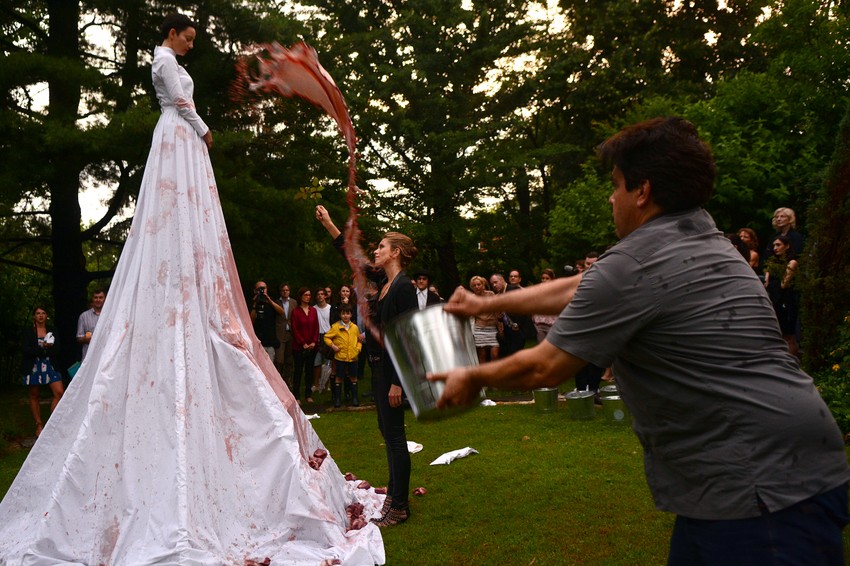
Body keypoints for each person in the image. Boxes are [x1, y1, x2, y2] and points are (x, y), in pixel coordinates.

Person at [0, 14, 385, 564]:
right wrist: (202, 126)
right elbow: (180, 103)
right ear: (174, 33)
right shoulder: (163, 63)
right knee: (171, 219)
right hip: (177, 139)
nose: (192, 44)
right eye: (189, 36)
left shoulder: (170, 64)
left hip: (179, 142)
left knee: (190, 222)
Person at [430, 117, 849, 564]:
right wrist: (482, 306)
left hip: (755, 485)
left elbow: (544, 366)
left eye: (616, 185)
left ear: (642, 191)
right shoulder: (704, 236)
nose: (611, 198)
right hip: (792, 463)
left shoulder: (635, 260)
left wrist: (472, 377)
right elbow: (581, 287)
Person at [316, 204, 417, 527]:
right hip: (378, 366)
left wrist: (398, 383)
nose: (376, 250)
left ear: (396, 252)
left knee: (396, 436)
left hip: (393, 372)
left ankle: (399, 507)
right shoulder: (383, 281)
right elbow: (350, 256)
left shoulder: (404, 288)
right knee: (386, 433)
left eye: (382, 247)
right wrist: (330, 224)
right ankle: (394, 498)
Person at [20, 307, 65, 437]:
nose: (40, 316)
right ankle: (39, 424)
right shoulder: (28, 331)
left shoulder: (52, 330)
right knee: (34, 394)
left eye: (43, 313)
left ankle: (52, 424)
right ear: (34, 316)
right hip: (33, 366)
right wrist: (43, 348)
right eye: (38, 313)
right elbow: (26, 350)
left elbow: (57, 349)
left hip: (50, 365)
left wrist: (45, 350)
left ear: (46, 316)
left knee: (59, 392)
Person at [764, 235, 800, 357]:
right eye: (774, 245)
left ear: (787, 246)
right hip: (773, 300)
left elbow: (784, 284)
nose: (775, 248)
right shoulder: (772, 263)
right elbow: (766, 282)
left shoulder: (792, 262)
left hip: (786, 301)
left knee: (788, 335)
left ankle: (792, 363)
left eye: (778, 245)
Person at [324, 305, 362, 407]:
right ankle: (337, 399)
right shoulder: (336, 327)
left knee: (353, 377)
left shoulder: (355, 327)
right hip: (340, 357)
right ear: (340, 315)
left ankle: (354, 398)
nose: (345, 316)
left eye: (347, 313)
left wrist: (358, 349)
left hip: (353, 357)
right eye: (343, 313)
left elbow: (359, 340)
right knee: (339, 377)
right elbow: (326, 337)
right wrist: (333, 346)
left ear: (351, 315)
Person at [291, 286, 319, 404]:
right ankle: (296, 395)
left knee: (309, 371)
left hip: (312, 346)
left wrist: (313, 341)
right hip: (299, 347)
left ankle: (308, 394)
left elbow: (316, 327)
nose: (308, 297)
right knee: (298, 370)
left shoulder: (313, 310)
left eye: (309, 295)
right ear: (301, 296)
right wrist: (303, 343)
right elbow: (294, 328)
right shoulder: (296, 312)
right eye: (305, 295)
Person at [250, 280, 283, 360]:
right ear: (255, 290)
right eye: (259, 289)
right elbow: (250, 321)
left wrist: (269, 300)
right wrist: (255, 304)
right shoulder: (252, 302)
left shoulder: (272, 301)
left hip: (270, 342)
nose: (262, 290)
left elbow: (281, 312)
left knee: (269, 368)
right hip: (257, 342)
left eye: (263, 288)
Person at [469, 275, 499, 363]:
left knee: (495, 354)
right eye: (474, 285)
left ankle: (495, 374)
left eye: (478, 284)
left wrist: (500, 325)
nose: (477, 287)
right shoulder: (471, 298)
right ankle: (484, 375)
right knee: (482, 355)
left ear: (483, 285)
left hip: (492, 328)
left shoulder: (490, 294)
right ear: (472, 287)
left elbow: (496, 310)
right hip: (479, 328)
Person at [274, 282, 297, 387]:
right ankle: (277, 379)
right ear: (280, 292)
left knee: (289, 359)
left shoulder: (294, 302)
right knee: (279, 359)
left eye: (287, 290)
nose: (285, 292)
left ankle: (287, 380)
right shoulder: (276, 302)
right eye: (283, 290)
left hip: (291, 333)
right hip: (280, 333)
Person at [76, 288, 106, 363]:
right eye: (96, 297)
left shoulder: (110, 315)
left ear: (105, 299)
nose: (98, 300)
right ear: (92, 299)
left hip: (105, 357)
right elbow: (79, 338)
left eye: (100, 297)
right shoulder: (83, 316)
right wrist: (87, 339)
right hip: (89, 358)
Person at [531, 268, 557, 342]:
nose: (544, 280)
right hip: (539, 323)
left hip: (551, 323)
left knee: (551, 345)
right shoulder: (537, 289)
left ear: (552, 279)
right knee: (541, 344)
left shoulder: (556, 290)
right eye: (543, 278)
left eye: (547, 278)